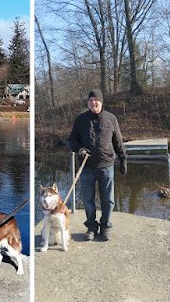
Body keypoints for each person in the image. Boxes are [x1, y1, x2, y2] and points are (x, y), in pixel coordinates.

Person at [68, 89, 127, 241]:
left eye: (96, 100)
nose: (93, 103)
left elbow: (118, 141)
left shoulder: (111, 118)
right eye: (90, 100)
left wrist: (123, 159)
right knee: (88, 200)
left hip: (106, 165)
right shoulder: (80, 119)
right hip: (87, 166)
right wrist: (80, 149)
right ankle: (91, 227)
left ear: (101, 102)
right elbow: (72, 140)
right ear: (88, 102)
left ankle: (105, 227)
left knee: (108, 200)